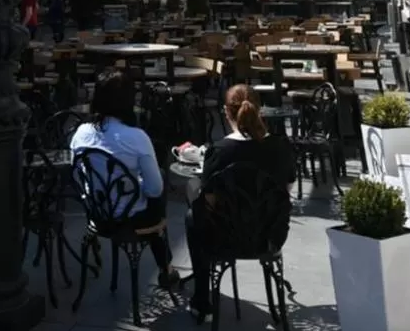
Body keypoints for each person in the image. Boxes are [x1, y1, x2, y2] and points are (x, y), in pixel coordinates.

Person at [185, 84, 296, 318]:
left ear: (226, 113)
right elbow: (285, 192)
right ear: (260, 110)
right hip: (270, 235)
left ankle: (202, 300)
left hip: (226, 237)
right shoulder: (281, 147)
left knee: (193, 215)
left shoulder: (220, 151)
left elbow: (210, 202)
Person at [70, 70, 178, 286]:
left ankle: (165, 265)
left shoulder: (80, 133)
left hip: (98, 212)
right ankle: (165, 266)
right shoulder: (137, 137)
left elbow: (77, 175)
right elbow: (154, 190)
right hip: (130, 216)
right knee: (160, 179)